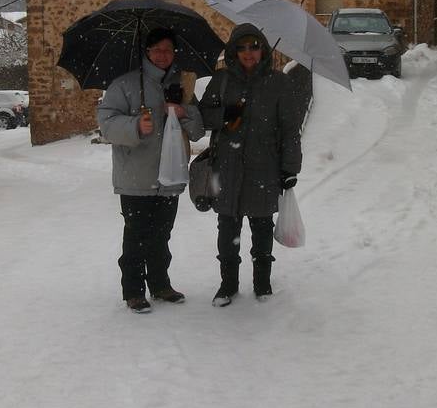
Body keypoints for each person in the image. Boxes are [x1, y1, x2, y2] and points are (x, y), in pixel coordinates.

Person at [96, 27, 205, 314]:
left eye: (168, 50)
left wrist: (184, 112)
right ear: (146, 52)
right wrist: (135, 126)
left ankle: (160, 285)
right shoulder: (124, 84)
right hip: (136, 176)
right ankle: (133, 291)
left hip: (170, 174)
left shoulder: (183, 85)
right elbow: (105, 124)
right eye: (156, 49)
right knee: (136, 235)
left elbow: (196, 130)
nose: (162, 55)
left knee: (162, 234)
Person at [198, 23, 302, 306]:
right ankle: (228, 285)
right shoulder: (221, 80)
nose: (248, 53)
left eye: (254, 46)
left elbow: (290, 129)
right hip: (227, 166)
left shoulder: (279, 82)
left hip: (264, 166)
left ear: (263, 50)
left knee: (262, 227)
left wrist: (290, 168)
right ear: (233, 51)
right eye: (241, 47)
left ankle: (262, 284)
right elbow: (204, 116)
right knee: (227, 228)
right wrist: (226, 116)